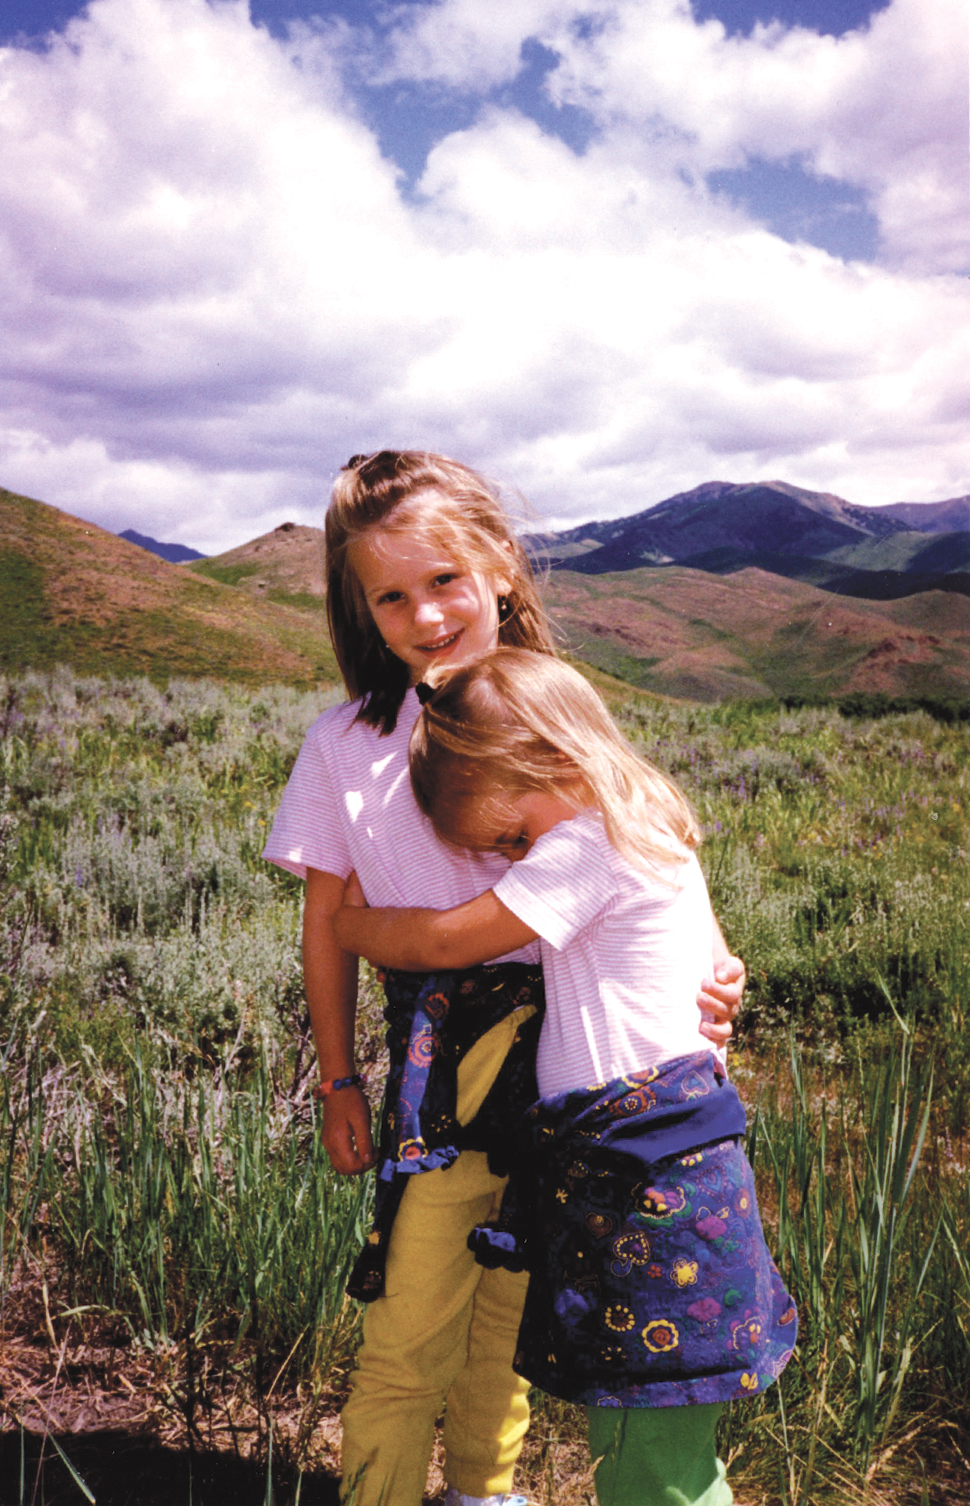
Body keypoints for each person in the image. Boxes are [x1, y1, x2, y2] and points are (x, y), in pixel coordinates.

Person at [263, 451, 747, 1506]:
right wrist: (339, 1080)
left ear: (499, 568)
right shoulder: (344, 746)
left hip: (584, 1092)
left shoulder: (549, 711)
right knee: (409, 1319)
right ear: (361, 609)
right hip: (451, 1078)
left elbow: (652, 857)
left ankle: (482, 1491)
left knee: (513, 1315)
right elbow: (327, 931)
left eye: (442, 579)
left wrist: (715, 978)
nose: (424, 614)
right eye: (389, 595)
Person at [333, 648, 796, 1506]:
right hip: (672, 1161)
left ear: (543, 760)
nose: (515, 855)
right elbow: (714, 960)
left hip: (642, 1172)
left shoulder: (587, 844)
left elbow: (442, 943)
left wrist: (349, 924)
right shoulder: (653, 827)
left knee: (647, 1450)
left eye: (511, 837)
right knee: (655, 1432)